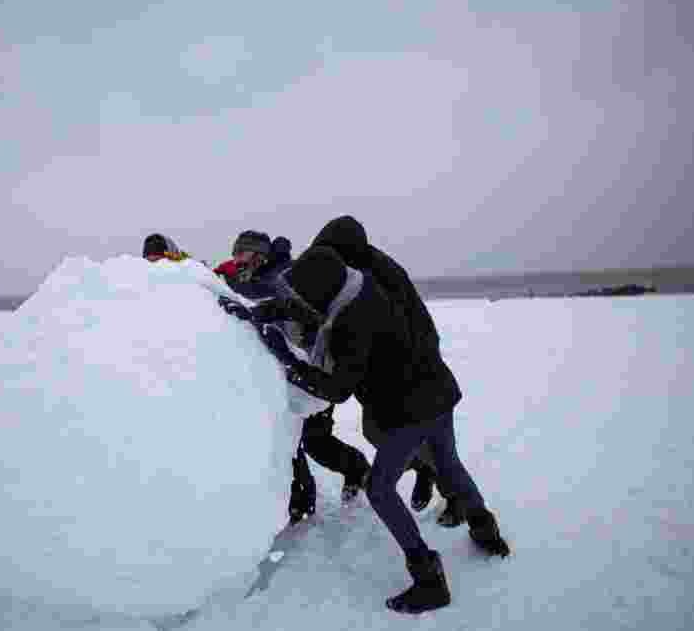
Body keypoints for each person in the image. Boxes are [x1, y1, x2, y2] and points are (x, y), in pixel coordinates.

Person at [248, 245, 509, 613]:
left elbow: (336, 387)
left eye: (304, 293)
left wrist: (285, 357)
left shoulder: (355, 320)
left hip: (410, 409)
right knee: (448, 464)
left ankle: (428, 579)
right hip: (437, 390)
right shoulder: (358, 286)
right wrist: (274, 310)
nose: (302, 298)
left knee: (380, 488)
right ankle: (486, 532)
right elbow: (320, 311)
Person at [312, 215, 462, 524]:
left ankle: (455, 498)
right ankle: (425, 470)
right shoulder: (360, 268)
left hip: (409, 373)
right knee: (377, 432)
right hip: (382, 374)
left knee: (432, 446)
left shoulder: (376, 276)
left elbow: (404, 322)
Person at [218, 233, 370, 523]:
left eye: (243, 254)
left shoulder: (285, 275)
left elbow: (267, 290)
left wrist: (227, 281)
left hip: (317, 371)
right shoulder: (268, 273)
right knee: (299, 440)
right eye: (235, 253)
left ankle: (349, 475)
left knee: (311, 441)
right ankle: (304, 498)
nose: (237, 260)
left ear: (260, 255)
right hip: (294, 371)